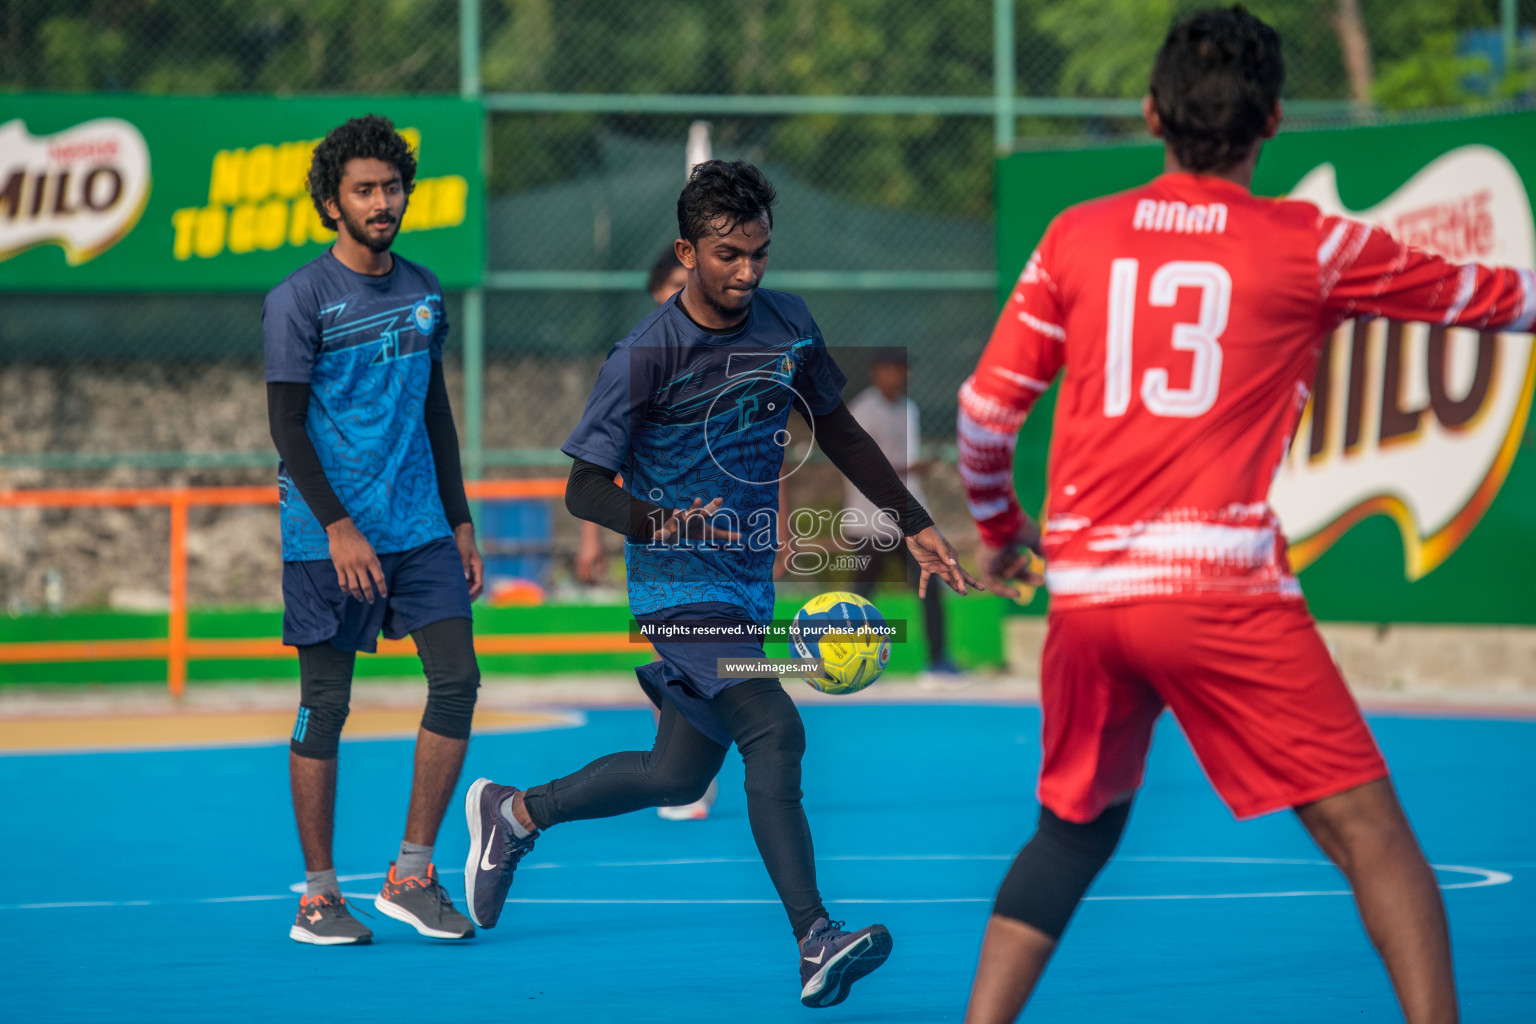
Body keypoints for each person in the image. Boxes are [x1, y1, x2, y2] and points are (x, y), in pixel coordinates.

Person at [957, 8, 1534, 1022]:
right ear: (1275, 120)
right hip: (1218, 588)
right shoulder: (1310, 245)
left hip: (1089, 595)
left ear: (1150, 113)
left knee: (1072, 831)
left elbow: (982, 413)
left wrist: (1003, 532)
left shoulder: (1075, 237)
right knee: (1370, 830)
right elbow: (1494, 299)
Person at [464, 160, 981, 1008]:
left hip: (744, 592)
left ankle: (515, 815)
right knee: (774, 730)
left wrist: (915, 524)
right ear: (687, 249)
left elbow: (842, 432)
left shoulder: (788, 323)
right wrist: (665, 521)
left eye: (760, 254)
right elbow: (583, 489)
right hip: (677, 589)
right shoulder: (645, 354)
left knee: (676, 775)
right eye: (728, 254)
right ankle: (816, 937)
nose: (747, 272)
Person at [264, 114, 485, 946]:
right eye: (364, 190)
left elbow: (436, 415)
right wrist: (337, 526)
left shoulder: (425, 292)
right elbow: (287, 426)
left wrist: (460, 520)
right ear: (333, 203)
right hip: (329, 536)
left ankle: (412, 874)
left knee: (457, 681)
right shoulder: (298, 300)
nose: (382, 201)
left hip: (422, 526)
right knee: (325, 705)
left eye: (391, 187)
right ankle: (318, 897)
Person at [573, 247, 721, 822]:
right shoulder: (640, 360)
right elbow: (597, 469)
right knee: (691, 667)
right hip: (663, 549)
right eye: (680, 291)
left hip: (729, 547)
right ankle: (681, 771)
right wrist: (592, 540)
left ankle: (682, 769)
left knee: (727, 673)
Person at [844, 348, 960, 680]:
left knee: (931, 586)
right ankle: (847, 664)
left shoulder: (910, 409)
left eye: (902, 369)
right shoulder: (861, 411)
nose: (898, 375)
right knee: (861, 596)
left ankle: (938, 662)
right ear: (876, 371)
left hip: (908, 522)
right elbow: (862, 466)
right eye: (891, 369)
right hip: (869, 521)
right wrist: (910, 468)